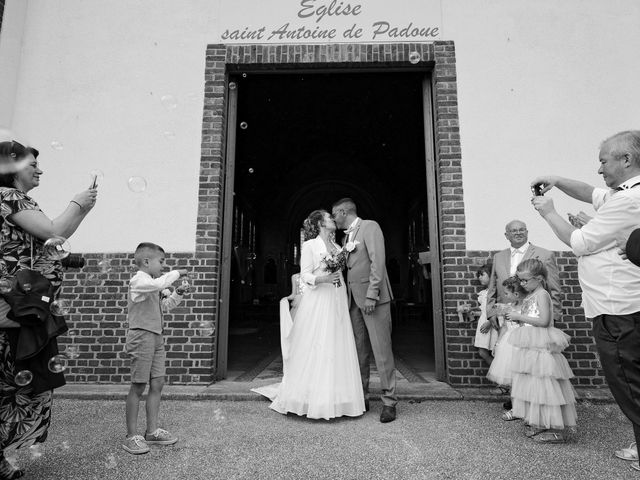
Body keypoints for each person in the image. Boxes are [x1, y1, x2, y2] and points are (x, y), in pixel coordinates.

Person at [531, 130, 640, 469]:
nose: (599, 169)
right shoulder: (624, 193)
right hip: (619, 306)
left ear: (626, 159)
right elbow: (591, 193)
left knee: (628, 385)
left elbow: (578, 242)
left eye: (604, 161)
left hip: (617, 309)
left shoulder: (628, 200)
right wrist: (558, 180)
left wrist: (548, 212)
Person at [0, 140, 97, 479]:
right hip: (11, 309)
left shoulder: (20, 201)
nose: (39, 170)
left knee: (19, 382)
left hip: (24, 309)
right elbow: (54, 230)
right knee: (12, 382)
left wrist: (83, 209)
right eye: (32, 165)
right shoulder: (7, 196)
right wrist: (76, 202)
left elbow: (55, 239)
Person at [252, 210, 365, 420]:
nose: (333, 219)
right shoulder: (310, 245)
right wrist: (323, 280)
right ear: (321, 223)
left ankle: (336, 397)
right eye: (329, 218)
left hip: (337, 297)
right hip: (319, 299)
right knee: (318, 341)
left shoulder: (340, 247)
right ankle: (313, 397)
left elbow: (340, 272)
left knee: (336, 341)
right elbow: (305, 274)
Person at [331, 198, 397, 423]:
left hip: (373, 300)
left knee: (381, 351)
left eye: (334, 214)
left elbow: (378, 262)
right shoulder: (347, 236)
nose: (333, 219)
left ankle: (389, 402)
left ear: (343, 212)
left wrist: (372, 294)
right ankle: (362, 397)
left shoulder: (370, 226)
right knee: (359, 352)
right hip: (353, 302)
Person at [123, 242, 188, 454]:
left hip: (156, 337)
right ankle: (131, 435)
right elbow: (160, 284)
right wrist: (177, 273)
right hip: (141, 336)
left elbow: (165, 307)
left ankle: (152, 432)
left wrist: (177, 293)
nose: (163, 266)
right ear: (146, 261)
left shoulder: (153, 284)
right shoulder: (139, 280)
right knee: (139, 385)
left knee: (157, 382)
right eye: (161, 262)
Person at [504, 259, 577, 443]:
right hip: (531, 345)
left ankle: (554, 428)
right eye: (520, 280)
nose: (521, 284)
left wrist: (519, 315)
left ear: (538, 278)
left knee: (545, 386)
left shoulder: (542, 294)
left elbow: (544, 321)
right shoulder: (530, 295)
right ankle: (539, 421)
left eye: (525, 281)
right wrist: (521, 321)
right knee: (533, 384)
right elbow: (532, 318)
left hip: (541, 346)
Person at [485, 219, 562, 395]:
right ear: (507, 235)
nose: (518, 233)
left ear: (527, 232)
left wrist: (553, 317)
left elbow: (554, 288)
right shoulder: (498, 257)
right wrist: (491, 312)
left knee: (531, 362)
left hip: (533, 317)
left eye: (522, 229)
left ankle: (529, 399)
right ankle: (515, 399)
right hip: (508, 317)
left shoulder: (544, 254)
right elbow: (492, 286)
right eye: (513, 231)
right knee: (509, 358)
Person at [487, 276, 526, 406]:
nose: (505, 296)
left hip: (521, 344)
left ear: (516, 293)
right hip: (508, 344)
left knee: (522, 375)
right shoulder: (508, 307)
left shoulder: (526, 308)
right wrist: (497, 343)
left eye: (506, 293)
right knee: (511, 375)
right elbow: (504, 326)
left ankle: (522, 402)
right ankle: (514, 402)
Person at [472, 262, 497, 366]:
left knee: (496, 352)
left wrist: (490, 323)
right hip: (484, 324)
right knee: (483, 352)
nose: (480, 278)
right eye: (479, 275)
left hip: (492, 324)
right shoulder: (484, 292)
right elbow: (484, 311)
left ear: (491, 275)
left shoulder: (495, 291)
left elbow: (498, 309)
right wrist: (473, 311)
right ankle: (499, 376)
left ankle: (501, 377)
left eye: (482, 275)